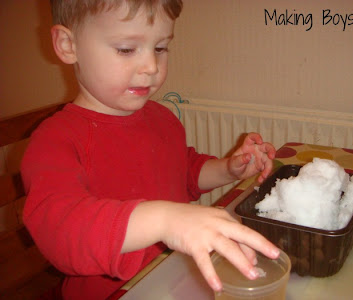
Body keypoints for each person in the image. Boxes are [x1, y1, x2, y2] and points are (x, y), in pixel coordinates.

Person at [21, 0, 279, 299]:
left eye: (160, 48)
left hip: (171, 279)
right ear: (68, 45)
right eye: (126, 49)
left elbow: (183, 171)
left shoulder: (162, 119)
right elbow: (61, 233)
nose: (151, 67)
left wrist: (228, 168)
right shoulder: (54, 141)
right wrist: (164, 221)